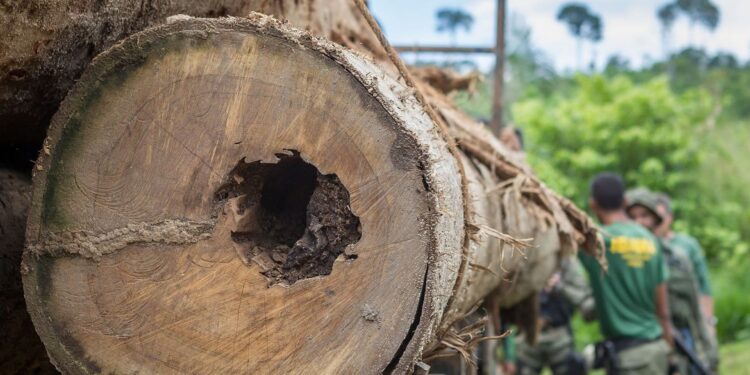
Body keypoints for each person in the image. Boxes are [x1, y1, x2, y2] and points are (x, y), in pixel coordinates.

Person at [578, 173, 672, 375]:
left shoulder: (596, 243)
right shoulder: (650, 240)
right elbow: (663, 311)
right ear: (625, 201)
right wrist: (670, 357)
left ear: (593, 204)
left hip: (627, 359)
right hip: (656, 352)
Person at [626, 188, 713, 374]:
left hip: (682, 338)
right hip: (645, 346)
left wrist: (708, 346)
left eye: (644, 215)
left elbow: (694, 305)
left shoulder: (675, 257)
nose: (639, 222)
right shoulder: (621, 260)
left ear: (655, 220)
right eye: (632, 217)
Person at [501, 257, 594, 375]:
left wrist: (560, 287)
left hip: (559, 336)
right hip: (527, 337)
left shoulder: (566, 264)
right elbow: (506, 303)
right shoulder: (523, 261)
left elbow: (582, 299)